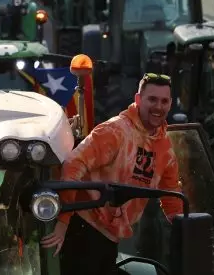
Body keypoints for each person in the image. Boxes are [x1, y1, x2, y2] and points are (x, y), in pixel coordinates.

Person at [41, 73, 183, 275]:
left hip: (111, 237)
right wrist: (63, 223)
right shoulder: (116, 131)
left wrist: (191, 231)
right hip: (82, 229)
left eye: (164, 101)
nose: (158, 107)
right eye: (152, 99)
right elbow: (73, 165)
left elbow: (171, 196)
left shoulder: (165, 149)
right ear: (138, 100)